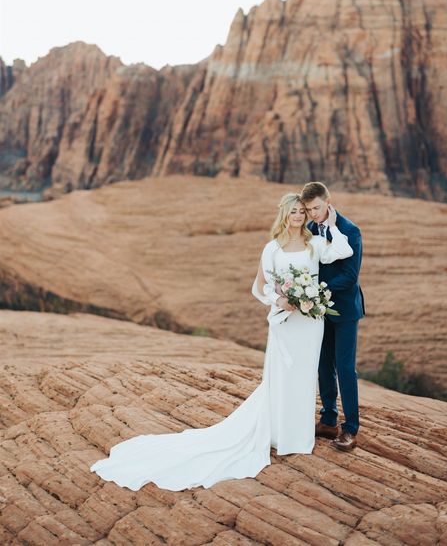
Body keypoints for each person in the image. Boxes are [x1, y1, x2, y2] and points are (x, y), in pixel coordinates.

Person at [89, 192, 353, 492]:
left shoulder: (316, 244)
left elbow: (342, 251)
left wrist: (331, 223)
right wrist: (279, 299)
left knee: (305, 376)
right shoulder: (272, 249)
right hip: (285, 321)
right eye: (293, 211)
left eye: (302, 212)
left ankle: (299, 437)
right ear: (284, 214)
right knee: (282, 375)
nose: (298, 216)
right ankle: (279, 435)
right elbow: (260, 287)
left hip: (310, 323)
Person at [300, 181, 365, 451]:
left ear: (328, 202)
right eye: (308, 209)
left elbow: (350, 277)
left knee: (345, 368)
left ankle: (350, 429)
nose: (313, 213)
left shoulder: (350, 230)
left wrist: (318, 289)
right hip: (319, 310)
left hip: (346, 309)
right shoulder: (310, 230)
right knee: (323, 365)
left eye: (316, 207)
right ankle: (328, 420)